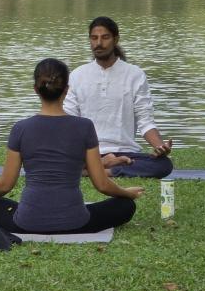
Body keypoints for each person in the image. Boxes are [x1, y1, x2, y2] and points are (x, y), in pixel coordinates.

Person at [0, 58, 143, 235]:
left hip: (27, 222)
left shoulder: (20, 128)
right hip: (76, 222)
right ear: (66, 90)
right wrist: (127, 193)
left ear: (36, 89)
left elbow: (5, 185)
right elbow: (102, 184)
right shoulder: (84, 127)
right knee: (125, 205)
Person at [63, 16, 173, 178]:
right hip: (89, 153)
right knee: (55, 159)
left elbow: (145, 121)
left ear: (116, 39)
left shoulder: (135, 74)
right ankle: (102, 166)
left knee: (163, 165)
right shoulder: (77, 75)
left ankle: (103, 170)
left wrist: (160, 147)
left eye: (105, 37)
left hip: (125, 153)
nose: (99, 43)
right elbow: (68, 120)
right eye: (94, 38)